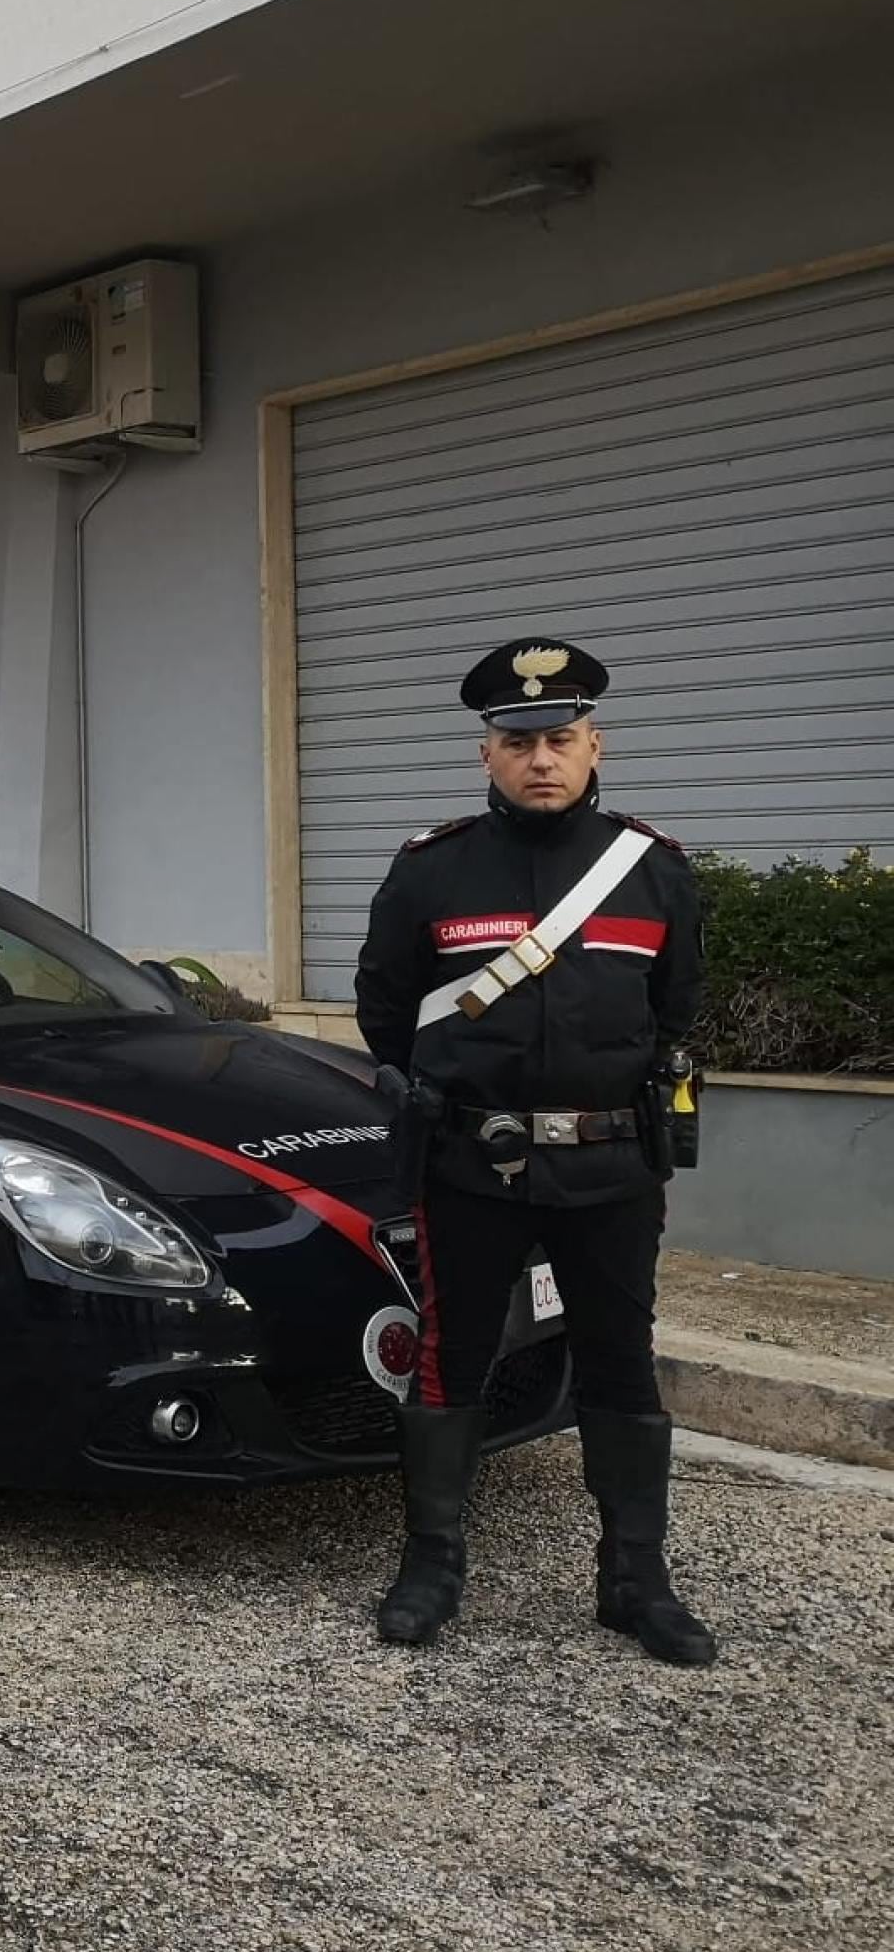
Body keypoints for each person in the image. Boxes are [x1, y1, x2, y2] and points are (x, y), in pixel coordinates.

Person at [354, 636, 712, 1666]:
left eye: (561, 738)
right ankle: (431, 1566)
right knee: (451, 1361)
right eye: (519, 742)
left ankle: (635, 1582)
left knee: (619, 1367)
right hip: (473, 1168)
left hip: (611, 1169)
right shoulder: (433, 870)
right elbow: (387, 1012)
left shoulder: (651, 873)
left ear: (596, 745)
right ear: (488, 756)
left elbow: (675, 1009)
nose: (541, 759)